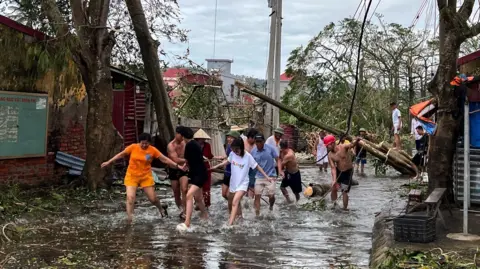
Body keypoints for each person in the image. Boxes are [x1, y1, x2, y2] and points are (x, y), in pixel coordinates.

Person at [101, 133, 183, 223]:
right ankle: (130, 219)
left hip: (146, 177)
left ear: (149, 143)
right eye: (142, 143)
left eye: (146, 143)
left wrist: (177, 166)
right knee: (130, 198)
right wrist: (109, 162)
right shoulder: (133, 147)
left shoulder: (153, 150)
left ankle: (161, 208)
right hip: (132, 176)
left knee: (153, 199)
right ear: (139, 142)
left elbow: (165, 159)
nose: (144, 145)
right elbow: (121, 154)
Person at [212, 138, 272, 225]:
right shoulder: (232, 154)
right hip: (233, 183)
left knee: (235, 201)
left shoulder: (248, 156)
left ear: (241, 148)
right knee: (230, 201)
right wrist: (216, 166)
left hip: (243, 184)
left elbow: (257, 166)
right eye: (233, 149)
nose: (235, 151)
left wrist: (266, 176)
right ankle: (239, 219)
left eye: (237, 149)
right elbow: (227, 162)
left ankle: (230, 224)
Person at [176, 127, 209, 231]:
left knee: (189, 195)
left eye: (178, 134)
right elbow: (194, 159)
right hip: (196, 173)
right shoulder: (194, 144)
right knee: (198, 198)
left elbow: (187, 160)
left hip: (199, 175)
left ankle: (187, 222)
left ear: (182, 135)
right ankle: (205, 215)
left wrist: (182, 165)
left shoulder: (190, 145)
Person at [325, 134, 362, 211]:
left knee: (344, 191)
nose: (327, 147)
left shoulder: (343, 147)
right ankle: (334, 205)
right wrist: (334, 180)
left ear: (332, 143)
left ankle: (345, 209)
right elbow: (333, 168)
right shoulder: (330, 155)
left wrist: (357, 140)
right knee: (334, 188)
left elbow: (351, 145)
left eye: (328, 145)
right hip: (338, 170)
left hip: (348, 171)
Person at [193, 129, 224, 210]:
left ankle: (206, 205)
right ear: (197, 139)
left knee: (207, 187)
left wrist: (217, 158)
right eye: (200, 139)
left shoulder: (207, 145)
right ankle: (197, 202)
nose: (202, 140)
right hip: (196, 169)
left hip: (206, 168)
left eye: (203, 139)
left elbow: (210, 156)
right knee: (196, 187)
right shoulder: (192, 146)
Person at [251, 133, 280, 216]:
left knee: (271, 196)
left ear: (263, 141)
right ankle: (257, 215)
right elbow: (251, 164)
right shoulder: (253, 151)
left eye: (260, 142)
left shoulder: (270, 149)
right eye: (256, 142)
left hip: (271, 176)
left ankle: (271, 206)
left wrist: (279, 171)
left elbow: (278, 160)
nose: (258, 144)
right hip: (259, 176)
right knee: (257, 196)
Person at [167, 126, 189, 219]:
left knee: (184, 189)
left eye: (184, 136)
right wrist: (188, 160)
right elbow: (175, 159)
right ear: (177, 134)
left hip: (184, 169)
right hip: (173, 169)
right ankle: (180, 209)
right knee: (176, 192)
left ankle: (185, 211)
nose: (183, 138)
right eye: (181, 135)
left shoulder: (185, 143)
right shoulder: (171, 145)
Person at [222, 130, 241, 201]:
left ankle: (233, 206)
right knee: (224, 194)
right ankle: (233, 203)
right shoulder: (228, 147)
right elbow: (228, 158)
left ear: (236, 139)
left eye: (231, 138)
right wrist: (224, 159)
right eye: (228, 137)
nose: (228, 139)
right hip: (227, 172)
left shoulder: (239, 149)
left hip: (234, 174)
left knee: (229, 194)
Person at [244, 128, 259, 197]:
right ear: (249, 137)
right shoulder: (243, 143)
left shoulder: (256, 144)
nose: (255, 140)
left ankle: (250, 201)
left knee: (252, 184)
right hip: (244, 167)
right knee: (244, 184)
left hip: (253, 167)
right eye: (254, 139)